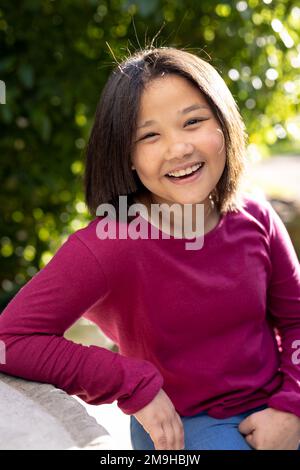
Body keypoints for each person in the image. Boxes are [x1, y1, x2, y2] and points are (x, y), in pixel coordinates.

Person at [0, 46, 300, 450]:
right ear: (126, 156)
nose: (178, 148)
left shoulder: (256, 216)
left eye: (192, 122)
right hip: (184, 425)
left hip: (279, 402)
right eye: (150, 135)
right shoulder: (110, 244)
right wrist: (129, 381)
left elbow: (296, 318)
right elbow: (10, 339)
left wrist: (291, 406)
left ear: (224, 126)